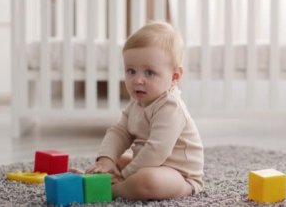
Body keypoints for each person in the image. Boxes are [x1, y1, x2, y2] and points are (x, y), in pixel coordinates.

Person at [71, 21, 204, 200]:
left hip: (179, 175)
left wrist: (125, 175)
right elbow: (119, 132)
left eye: (149, 73)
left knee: (147, 181)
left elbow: (157, 151)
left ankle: (111, 189)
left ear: (175, 76)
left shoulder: (171, 107)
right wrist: (106, 159)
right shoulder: (137, 103)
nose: (137, 80)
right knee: (115, 159)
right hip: (150, 162)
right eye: (131, 71)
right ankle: (97, 179)